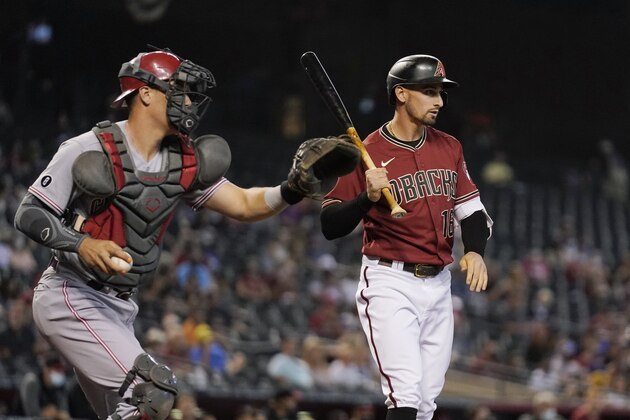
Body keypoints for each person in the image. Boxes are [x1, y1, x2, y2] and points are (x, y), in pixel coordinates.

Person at [13, 47, 338, 420]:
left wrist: (291, 189)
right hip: (71, 294)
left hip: (120, 307)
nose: (187, 101)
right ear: (146, 93)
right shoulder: (87, 148)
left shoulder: (181, 159)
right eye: (178, 90)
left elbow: (245, 204)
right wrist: (81, 242)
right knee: (153, 394)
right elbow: (29, 212)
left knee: (134, 412)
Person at [320, 54, 493, 420]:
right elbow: (330, 224)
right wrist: (365, 198)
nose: (439, 102)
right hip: (389, 281)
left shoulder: (450, 147)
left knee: (426, 404)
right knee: (406, 394)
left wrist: (475, 251)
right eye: (429, 92)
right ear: (401, 93)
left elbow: (472, 211)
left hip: (439, 283)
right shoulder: (366, 152)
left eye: (440, 94)